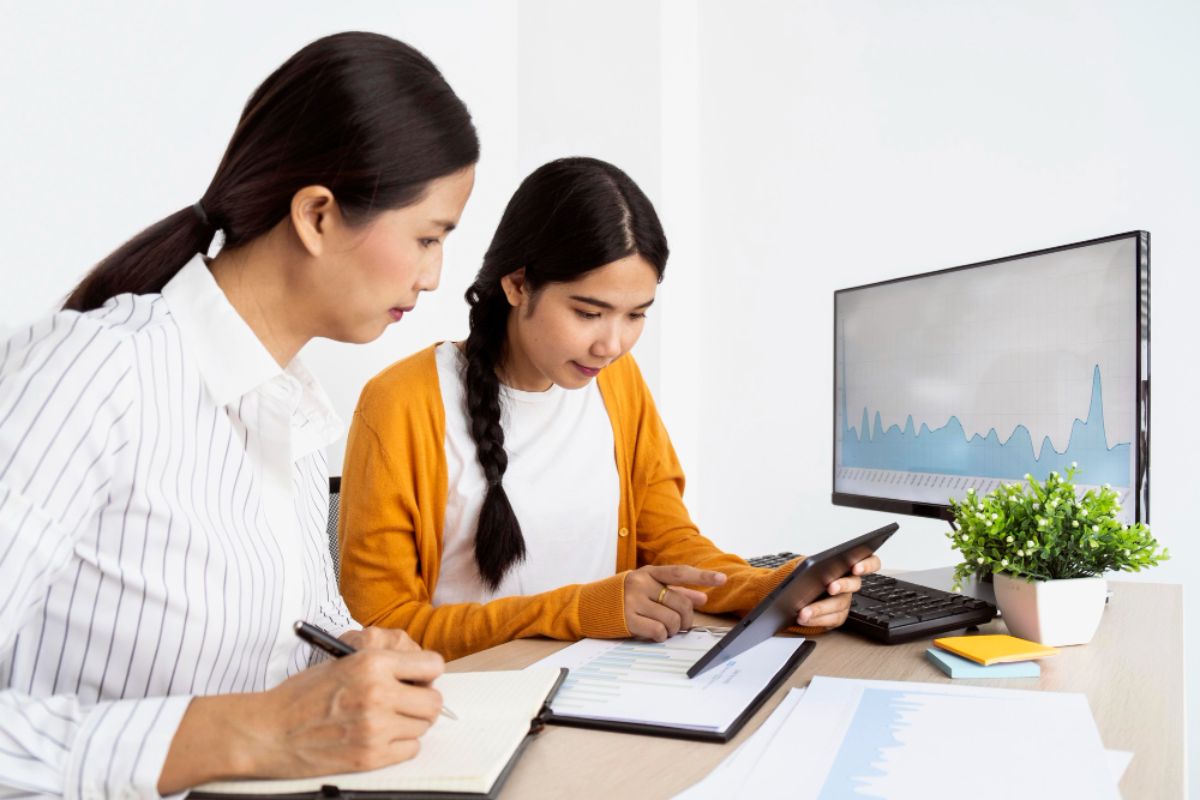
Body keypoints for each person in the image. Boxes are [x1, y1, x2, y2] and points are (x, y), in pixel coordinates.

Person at [0, 32, 477, 797]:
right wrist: (254, 731)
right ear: (317, 216)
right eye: (427, 237)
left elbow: (282, 642)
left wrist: (350, 656)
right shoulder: (90, 374)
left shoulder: (290, 409)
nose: (433, 276)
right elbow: (258, 724)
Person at [337, 157, 881, 662]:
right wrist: (578, 610)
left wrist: (781, 589)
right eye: (589, 312)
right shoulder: (401, 403)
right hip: (471, 703)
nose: (612, 345)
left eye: (636, 315)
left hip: (603, 687)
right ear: (519, 284)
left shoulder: (616, 383)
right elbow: (380, 626)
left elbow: (670, 544)